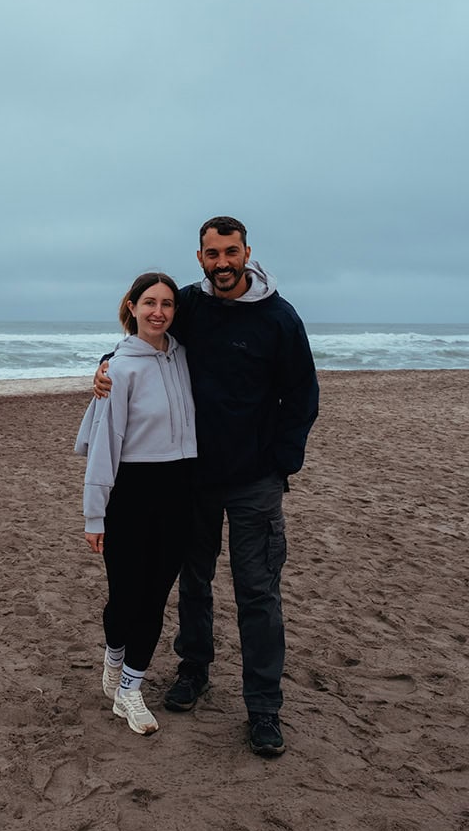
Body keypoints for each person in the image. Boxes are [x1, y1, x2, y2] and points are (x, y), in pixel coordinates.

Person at [94, 216, 318, 756]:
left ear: (246, 253)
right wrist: (104, 364)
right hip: (193, 479)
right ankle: (193, 670)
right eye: (212, 254)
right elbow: (146, 338)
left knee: (258, 593)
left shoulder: (279, 318)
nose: (222, 263)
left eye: (231, 252)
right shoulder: (190, 306)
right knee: (193, 584)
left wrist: (280, 465)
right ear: (200, 258)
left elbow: (303, 396)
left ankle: (264, 707)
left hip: (255, 484)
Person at [75, 272, 197, 735]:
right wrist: (94, 512)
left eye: (167, 304)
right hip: (132, 491)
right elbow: (106, 443)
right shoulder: (119, 369)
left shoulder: (186, 358)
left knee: (155, 597)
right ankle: (114, 655)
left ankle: (130, 689)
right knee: (124, 596)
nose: (159, 312)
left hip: (180, 488)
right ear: (131, 306)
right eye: (149, 302)